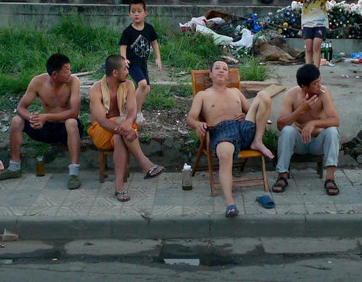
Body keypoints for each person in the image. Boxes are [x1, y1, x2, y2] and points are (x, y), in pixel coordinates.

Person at [186, 60, 274, 218]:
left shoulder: (235, 92)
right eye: (217, 68)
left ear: (228, 76)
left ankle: (258, 141)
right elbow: (190, 118)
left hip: (243, 128)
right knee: (225, 154)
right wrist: (198, 124)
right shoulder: (203, 95)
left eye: (225, 69)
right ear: (211, 75)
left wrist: (246, 115)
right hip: (221, 132)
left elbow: (252, 110)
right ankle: (230, 203)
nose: (221, 70)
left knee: (264, 96)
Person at [0, 53, 84, 189]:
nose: (70, 73)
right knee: (17, 121)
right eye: (66, 71)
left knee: (72, 122)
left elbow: (74, 113)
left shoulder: (73, 82)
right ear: (54, 74)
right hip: (45, 128)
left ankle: (74, 173)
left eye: (70, 69)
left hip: (65, 128)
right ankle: (14, 167)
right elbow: (21, 107)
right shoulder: (38, 82)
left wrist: (45, 117)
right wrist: (32, 119)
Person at [88, 54, 165, 202]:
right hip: (101, 132)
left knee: (119, 136)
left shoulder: (129, 85)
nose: (128, 71)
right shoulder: (96, 89)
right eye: (125, 69)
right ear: (115, 73)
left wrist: (127, 124)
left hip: (124, 130)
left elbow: (132, 113)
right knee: (121, 124)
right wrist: (126, 128)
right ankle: (144, 163)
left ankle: (119, 187)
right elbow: (102, 121)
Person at [272, 64, 341, 196]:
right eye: (315, 83)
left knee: (332, 131)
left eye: (320, 81)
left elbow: (335, 121)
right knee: (287, 131)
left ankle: (330, 179)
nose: (319, 86)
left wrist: (313, 123)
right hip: (299, 143)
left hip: (317, 143)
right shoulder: (291, 95)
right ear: (304, 86)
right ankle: (282, 176)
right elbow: (280, 124)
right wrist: (301, 110)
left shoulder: (323, 93)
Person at [118, 0, 162, 123]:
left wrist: (158, 58)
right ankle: (135, 112)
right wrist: (124, 60)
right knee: (142, 84)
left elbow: (154, 43)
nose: (136, 14)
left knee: (146, 89)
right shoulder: (128, 31)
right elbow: (123, 46)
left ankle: (132, 105)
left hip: (143, 63)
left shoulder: (149, 28)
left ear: (145, 13)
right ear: (129, 14)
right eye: (133, 11)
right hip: (132, 64)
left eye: (139, 11)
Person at [293, 0, 330, 68]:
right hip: (307, 23)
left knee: (316, 46)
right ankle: (308, 70)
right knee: (308, 48)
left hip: (320, 23)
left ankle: (316, 71)